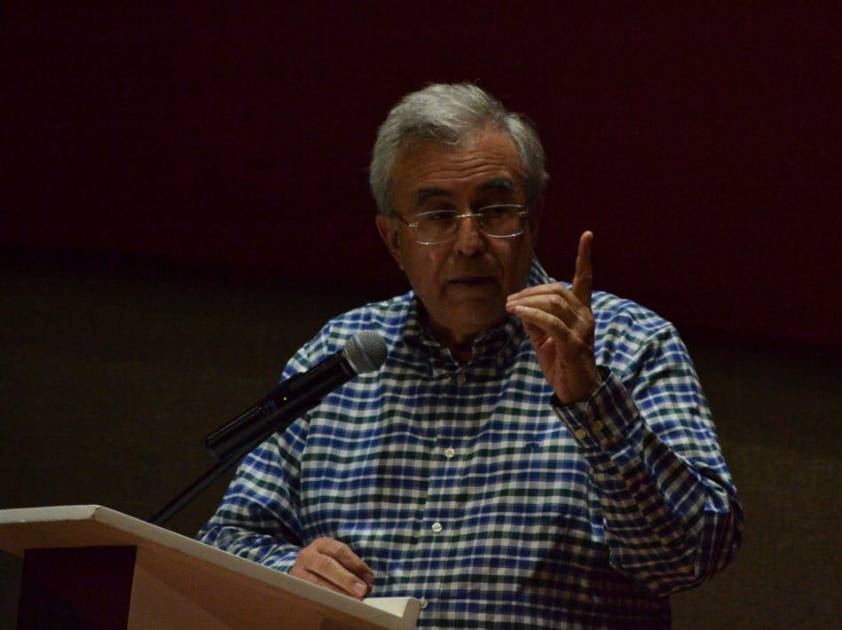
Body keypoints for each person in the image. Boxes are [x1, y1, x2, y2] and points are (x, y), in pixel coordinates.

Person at [199, 83, 743, 627]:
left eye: (495, 210)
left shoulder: (628, 343)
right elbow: (227, 539)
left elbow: (689, 558)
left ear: (533, 218)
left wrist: (592, 402)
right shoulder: (340, 354)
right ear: (393, 240)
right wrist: (288, 572)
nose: (468, 243)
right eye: (437, 216)